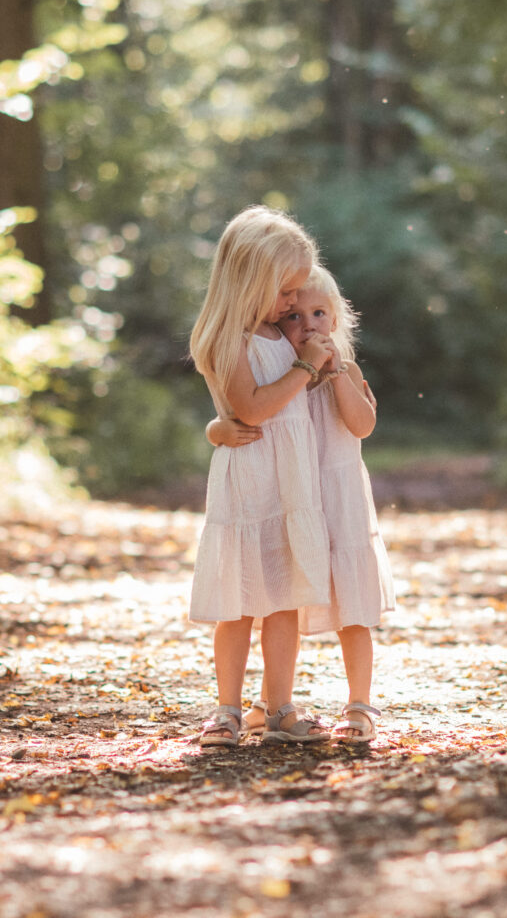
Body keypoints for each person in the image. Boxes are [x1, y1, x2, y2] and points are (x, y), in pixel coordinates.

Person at [207, 264, 395, 742]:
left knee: (350, 607)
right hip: (293, 502)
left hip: (338, 502)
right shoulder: (277, 371)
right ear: (277, 325)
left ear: (336, 320)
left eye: (319, 313)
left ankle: (359, 704)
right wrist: (214, 430)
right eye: (295, 317)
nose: (308, 325)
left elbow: (362, 425)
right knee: (278, 594)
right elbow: (241, 414)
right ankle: (267, 704)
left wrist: (334, 375)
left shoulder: (343, 370)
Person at [189, 206, 335, 747]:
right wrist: (303, 370)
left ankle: (279, 706)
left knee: (283, 599)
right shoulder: (228, 338)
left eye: (297, 293)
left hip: (288, 483)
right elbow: (250, 409)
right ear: (250, 283)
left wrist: (319, 366)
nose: (294, 303)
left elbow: (299, 406)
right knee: (240, 603)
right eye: (285, 292)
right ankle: (227, 707)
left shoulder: (281, 334)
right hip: (250, 483)